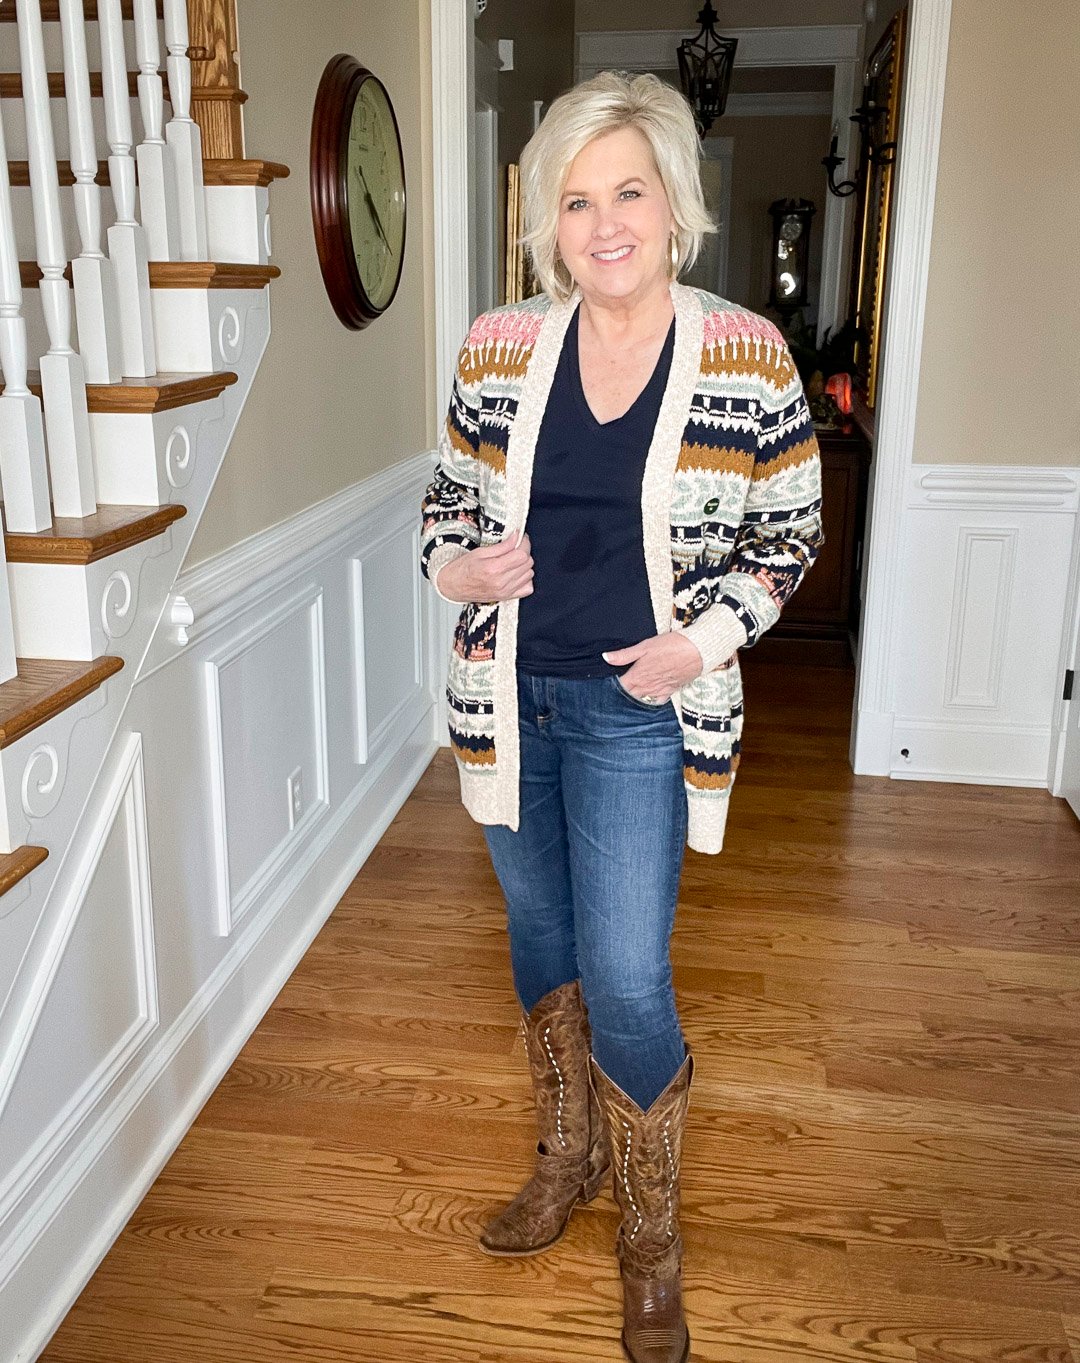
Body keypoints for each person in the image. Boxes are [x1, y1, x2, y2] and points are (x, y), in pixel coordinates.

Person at [419, 69, 824, 1363]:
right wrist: (454, 570)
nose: (605, 225)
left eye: (629, 193)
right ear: (550, 219)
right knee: (540, 938)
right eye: (577, 199)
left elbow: (791, 529)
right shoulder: (498, 344)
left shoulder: (745, 351)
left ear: (674, 205)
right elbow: (446, 500)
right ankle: (568, 1157)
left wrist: (703, 641)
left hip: (641, 708)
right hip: (507, 696)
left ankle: (652, 1240)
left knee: (631, 975)